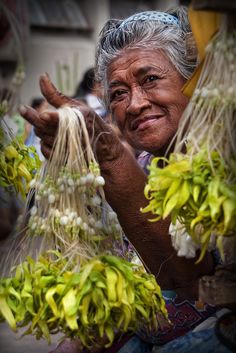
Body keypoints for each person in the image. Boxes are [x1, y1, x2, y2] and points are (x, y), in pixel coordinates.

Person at [19, 6, 226, 353]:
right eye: (117, 93)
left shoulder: (221, 170)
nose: (134, 104)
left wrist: (110, 155)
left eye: (150, 80)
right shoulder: (142, 164)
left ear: (192, 82)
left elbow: (189, 281)